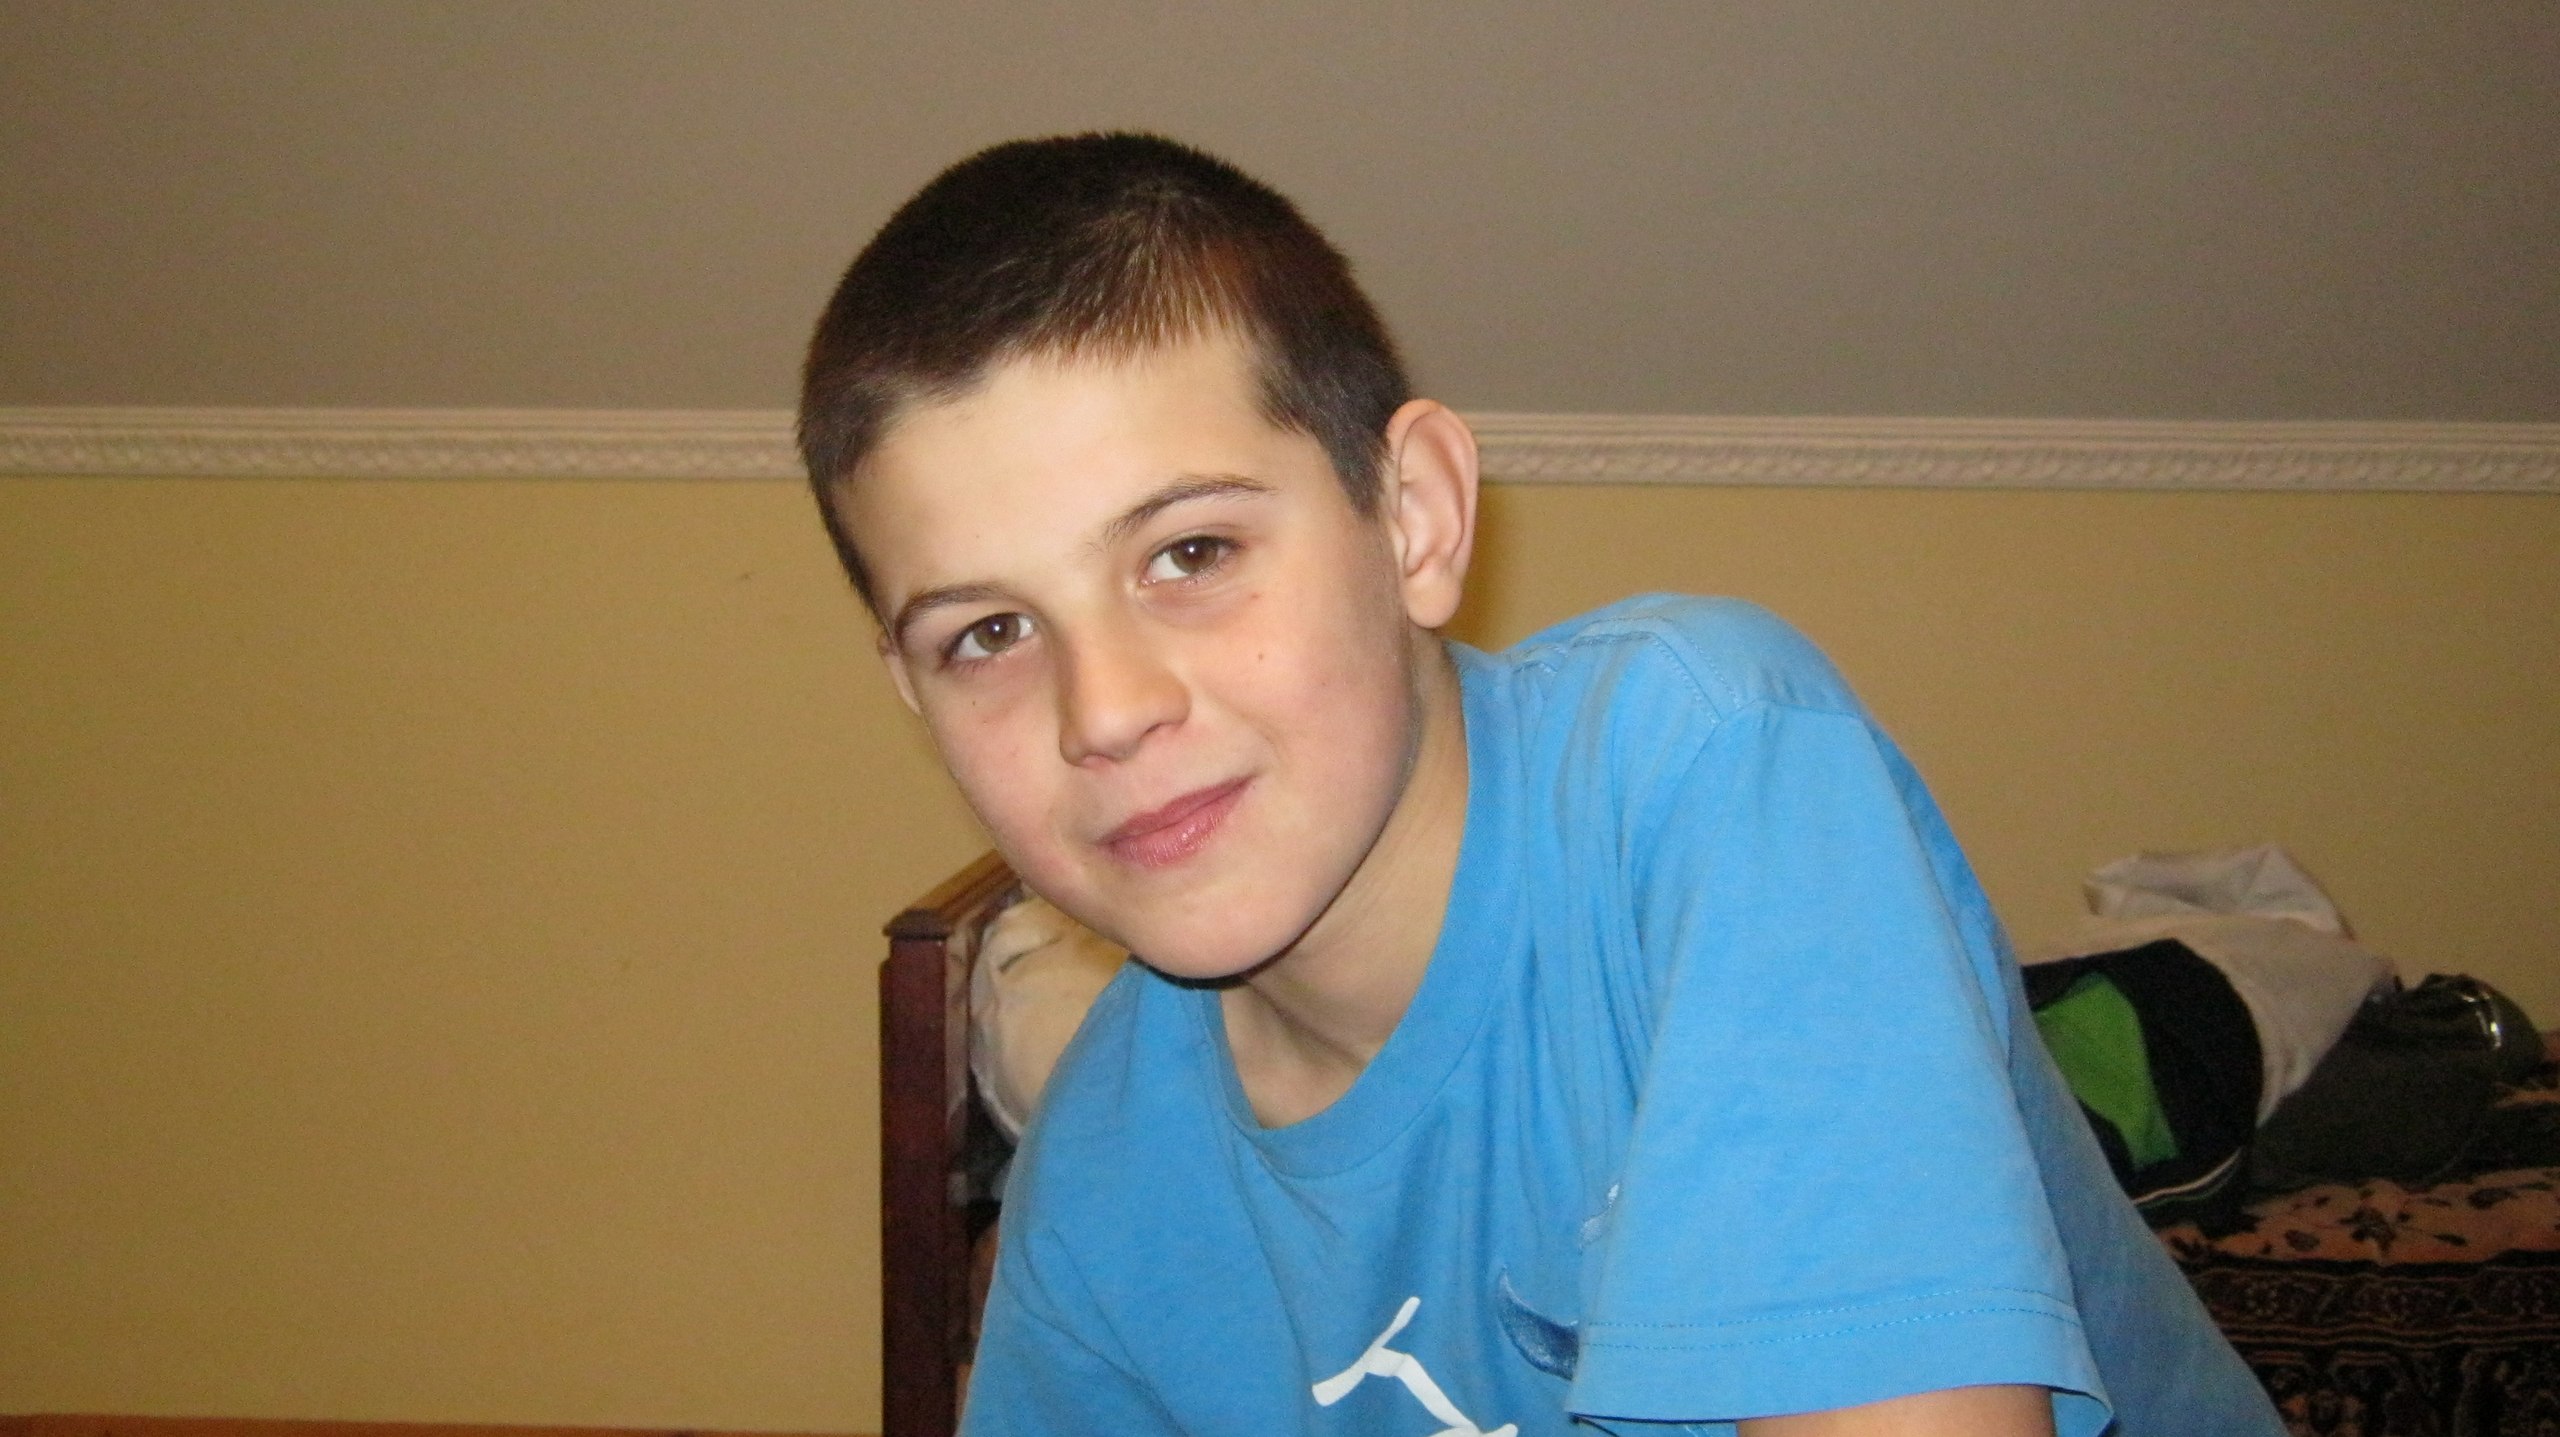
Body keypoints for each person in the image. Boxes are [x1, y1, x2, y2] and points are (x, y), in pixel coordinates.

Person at [798, 132, 2282, 1437]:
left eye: (1192, 552)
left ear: (1416, 518)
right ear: (914, 694)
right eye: (986, 634)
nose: (1107, 709)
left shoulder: (1706, 762)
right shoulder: (1102, 1193)